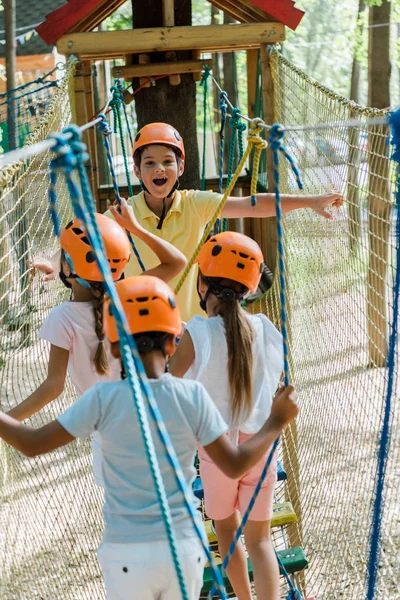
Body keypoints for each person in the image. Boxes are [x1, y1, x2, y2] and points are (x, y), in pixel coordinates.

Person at [0, 274, 298, 600]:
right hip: (181, 548)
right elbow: (235, 463)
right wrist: (276, 421)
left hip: (126, 553)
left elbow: (29, 443)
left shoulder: (101, 400)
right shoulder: (191, 396)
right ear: (172, 343)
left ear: (113, 347)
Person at [33, 123, 343, 322]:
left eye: (168, 162)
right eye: (150, 163)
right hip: (143, 328)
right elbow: (84, 240)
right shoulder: (123, 213)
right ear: (137, 171)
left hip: (195, 327)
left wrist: (309, 200)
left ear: (180, 167)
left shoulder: (196, 203)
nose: (160, 169)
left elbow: (253, 204)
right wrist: (53, 260)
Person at [9, 205, 186, 487]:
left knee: (126, 511)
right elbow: (177, 262)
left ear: (66, 266)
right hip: (154, 420)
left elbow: (53, 387)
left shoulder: (61, 318)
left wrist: (8, 418)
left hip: (109, 432)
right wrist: (135, 228)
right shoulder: (127, 297)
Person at [169, 231, 286, 600]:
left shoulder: (196, 333)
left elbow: (169, 385)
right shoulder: (267, 329)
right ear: (249, 290)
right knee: (261, 541)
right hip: (262, 444)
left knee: (228, 534)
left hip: (218, 450)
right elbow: (272, 381)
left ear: (201, 282)